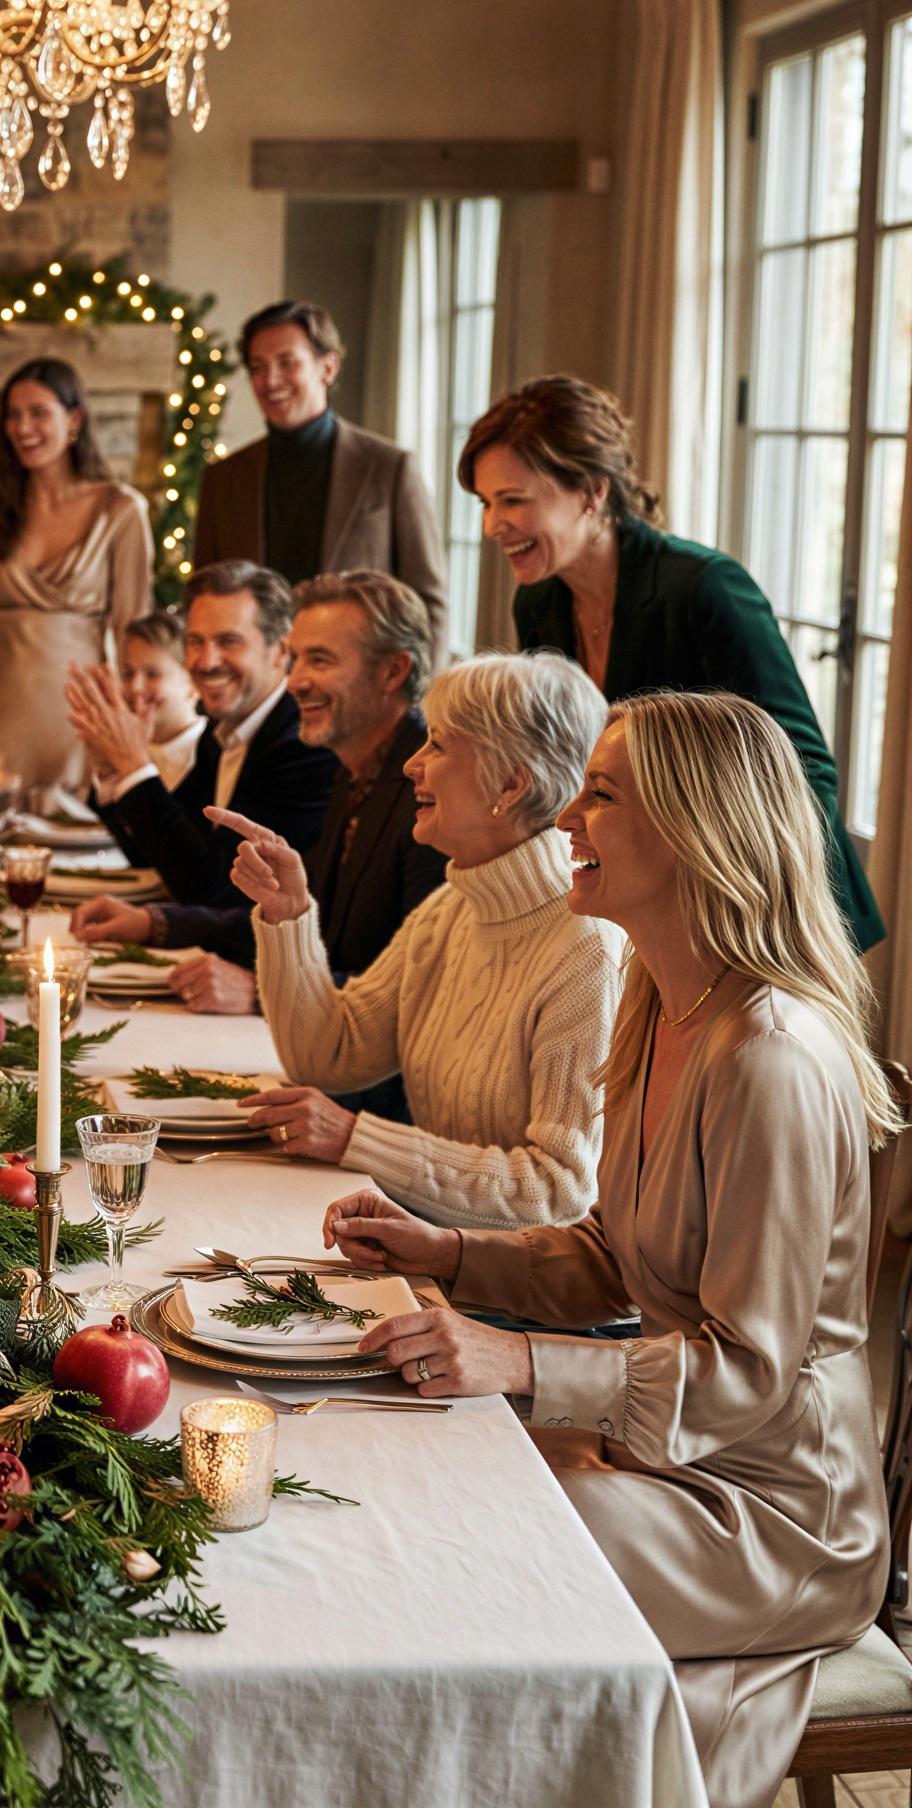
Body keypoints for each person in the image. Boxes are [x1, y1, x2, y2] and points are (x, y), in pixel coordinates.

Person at [327, 691, 896, 1808]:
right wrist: (449, 1251)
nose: (564, 819)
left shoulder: (770, 1057)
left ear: (693, 829)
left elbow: (748, 1369)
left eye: (599, 795)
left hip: (776, 1513)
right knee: (425, 1472)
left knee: (488, 1536)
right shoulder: (659, 1000)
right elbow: (608, 1253)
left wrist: (519, 1361)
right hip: (668, 1454)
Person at [461, 373, 884, 952]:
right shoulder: (537, 603)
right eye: (486, 503)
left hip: (767, 910)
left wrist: (730, 902)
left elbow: (803, 768)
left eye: (512, 500)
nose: (491, 525)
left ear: (592, 491)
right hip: (645, 905)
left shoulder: (706, 588)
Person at [220, 650, 617, 1228]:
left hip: (505, 1280)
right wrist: (288, 917)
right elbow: (330, 1055)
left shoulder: (587, 948)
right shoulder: (450, 910)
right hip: (442, 1252)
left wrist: (358, 1139)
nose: (411, 764)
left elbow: (558, 1193)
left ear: (510, 783)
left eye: (438, 745)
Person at [166, 574, 446, 1094]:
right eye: (294, 659)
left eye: (319, 660)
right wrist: (158, 923)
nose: (294, 681)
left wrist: (258, 992)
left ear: (393, 671)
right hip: (324, 1068)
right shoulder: (350, 772)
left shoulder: (429, 790)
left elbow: (424, 993)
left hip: (387, 1100)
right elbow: (307, 920)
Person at [65, 561, 337, 979]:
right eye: (195, 642)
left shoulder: (301, 744)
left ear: (280, 650)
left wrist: (134, 767)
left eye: (228, 642)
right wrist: (113, 769)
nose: (206, 661)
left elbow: (214, 890)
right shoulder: (223, 732)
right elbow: (157, 857)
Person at [191, 299, 449, 661]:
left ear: (327, 368)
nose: (270, 380)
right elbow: (201, 599)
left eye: (287, 363)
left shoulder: (389, 468)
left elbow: (429, 601)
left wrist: (426, 690)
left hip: (360, 676)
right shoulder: (223, 478)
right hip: (255, 678)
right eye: (258, 367)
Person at [0, 357, 155, 799]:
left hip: (81, 710)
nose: (22, 428)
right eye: (13, 415)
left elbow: (131, 623)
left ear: (74, 420)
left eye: (38, 412)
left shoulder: (120, 509)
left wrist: (131, 714)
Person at [118, 608, 204, 789]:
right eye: (128, 673)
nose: (135, 687)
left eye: (152, 674)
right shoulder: (120, 748)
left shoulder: (213, 752)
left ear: (194, 683)